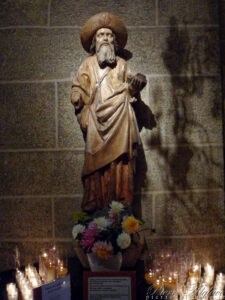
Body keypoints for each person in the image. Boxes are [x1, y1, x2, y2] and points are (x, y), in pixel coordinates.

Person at [71, 12, 146, 212]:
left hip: (120, 117)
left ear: (116, 42)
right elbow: (78, 85)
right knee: (96, 165)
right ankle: (97, 203)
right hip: (96, 120)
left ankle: (122, 202)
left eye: (109, 35)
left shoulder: (122, 64)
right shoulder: (87, 64)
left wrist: (137, 84)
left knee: (121, 161)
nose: (105, 38)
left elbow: (131, 85)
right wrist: (77, 95)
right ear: (94, 41)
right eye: (100, 35)